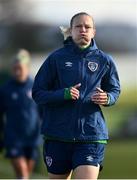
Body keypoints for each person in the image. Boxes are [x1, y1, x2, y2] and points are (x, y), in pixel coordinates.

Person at [32, 12, 121, 179]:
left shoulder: (104, 60)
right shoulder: (55, 59)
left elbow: (115, 90)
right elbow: (38, 93)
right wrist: (62, 94)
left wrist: (107, 98)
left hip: (91, 135)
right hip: (57, 135)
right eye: (78, 26)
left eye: (87, 27)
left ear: (93, 32)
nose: (83, 30)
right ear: (71, 31)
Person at [0, 49, 41, 179]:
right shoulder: (5, 89)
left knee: (24, 175)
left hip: (32, 139)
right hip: (13, 139)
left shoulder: (36, 87)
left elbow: (43, 112)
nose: (17, 71)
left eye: (20, 68)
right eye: (15, 68)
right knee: (23, 173)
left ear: (27, 68)